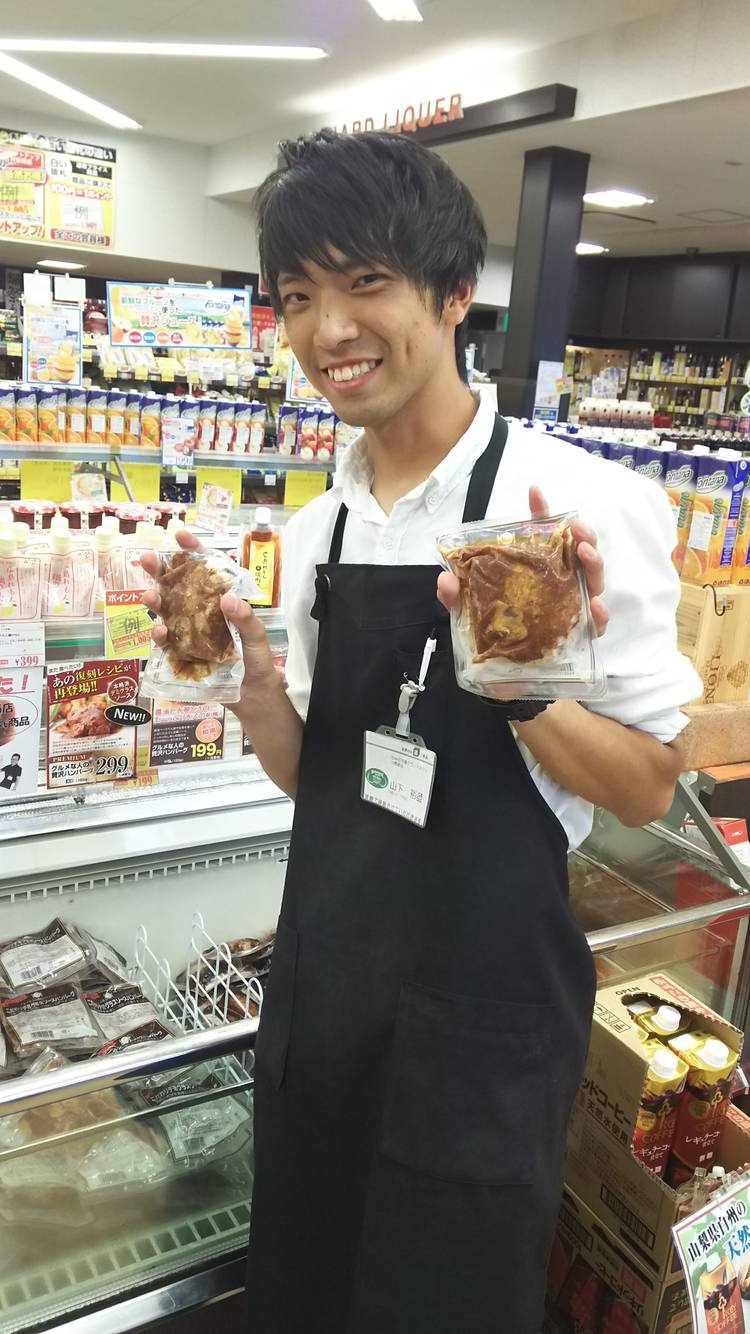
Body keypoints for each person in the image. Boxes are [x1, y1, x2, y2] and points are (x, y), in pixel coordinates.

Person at [142, 131, 700, 1333]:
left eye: (365, 282)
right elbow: (318, 777)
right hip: (326, 1007)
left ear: (453, 293)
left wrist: (527, 685)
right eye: (298, 295)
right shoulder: (318, 530)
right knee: (305, 1286)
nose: (328, 328)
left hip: (482, 1026)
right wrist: (253, 690)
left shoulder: (580, 507)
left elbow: (650, 787)